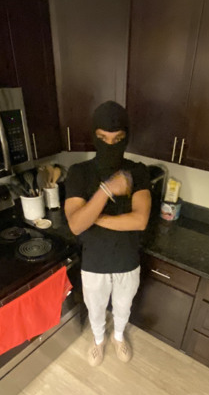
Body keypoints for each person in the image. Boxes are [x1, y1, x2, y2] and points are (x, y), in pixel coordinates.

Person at [64, 101, 151, 366]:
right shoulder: (79, 172)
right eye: (103, 139)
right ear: (94, 136)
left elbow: (139, 221)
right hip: (95, 260)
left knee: (124, 306)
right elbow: (76, 225)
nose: (110, 145)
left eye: (117, 139)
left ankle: (118, 336)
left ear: (126, 138)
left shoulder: (138, 171)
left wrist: (93, 217)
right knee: (96, 307)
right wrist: (107, 189)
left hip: (127, 258)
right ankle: (99, 339)